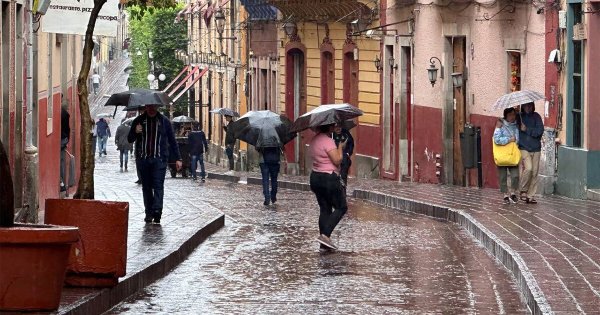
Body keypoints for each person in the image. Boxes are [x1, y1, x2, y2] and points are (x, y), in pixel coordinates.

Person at [128, 104, 182, 224]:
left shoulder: (164, 121)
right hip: (143, 160)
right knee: (146, 187)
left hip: (159, 160)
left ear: (157, 107)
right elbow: (130, 139)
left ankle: (157, 211)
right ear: (146, 107)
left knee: (158, 186)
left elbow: (172, 141)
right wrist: (135, 131)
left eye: (154, 106)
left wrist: (178, 158)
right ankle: (149, 212)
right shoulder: (139, 121)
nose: (151, 109)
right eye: (149, 106)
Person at [309, 123, 348, 250]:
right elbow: (337, 160)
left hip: (315, 177)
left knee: (324, 209)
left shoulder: (314, 140)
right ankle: (325, 235)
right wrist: (341, 147)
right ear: (329, 127)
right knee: (341, 207)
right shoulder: (328, 141)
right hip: (329, 178)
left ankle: (323, 244)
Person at [518, 102, 544, 204]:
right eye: (525, 105)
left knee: (534, 172)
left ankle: (530, 195)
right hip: (523, 147)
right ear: (522, 107)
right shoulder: (519, 117)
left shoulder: (536, 116)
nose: (527, 107)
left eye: (529, 105)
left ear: (532, 106)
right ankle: (523, 190)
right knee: (528, 168)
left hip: (536, 148)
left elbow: (539, 131)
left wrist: (527, 130)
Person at [494, 108, 520, 204]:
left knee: (515, 175)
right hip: (502, 154)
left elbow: (517, 140)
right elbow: (496, 139)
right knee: (502, 176)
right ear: (506, 116)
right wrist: (509, 140)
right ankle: (505, 195)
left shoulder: (515, 126)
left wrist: (515, 140)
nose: (512, 117)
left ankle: (513, 192)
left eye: (513, 115)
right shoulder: (500, 125)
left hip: (512, 154)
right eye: (510, 115)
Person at [60, 102, 70, 192]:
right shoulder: (65, 114)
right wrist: (68, 140)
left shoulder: (62, 113)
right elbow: (68, 128)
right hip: (63, 139)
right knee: (62, 162)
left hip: (62, 139)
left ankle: (61, 182)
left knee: (61, 161)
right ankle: (62, 183)